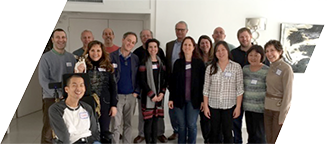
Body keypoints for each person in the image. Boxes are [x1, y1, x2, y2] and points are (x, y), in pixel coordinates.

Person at [39, 28, 77, 144]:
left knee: (68, 126)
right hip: (51, 98)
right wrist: (58, 94)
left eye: (63, 37)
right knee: (49, 128)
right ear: (52, 40)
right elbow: (43, 80)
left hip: (68, 98)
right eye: (58, 37)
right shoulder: (45, 58)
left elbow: (74, 78)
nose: (61, 40)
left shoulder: (71, 58)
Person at [203, 41, 244, 144]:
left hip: (229, 106)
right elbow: (206, 89)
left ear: (227, 51)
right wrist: (206, 106)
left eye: (223, 50)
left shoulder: (236, 67)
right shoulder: (210, 68)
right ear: (215, 53)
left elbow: (239, 89)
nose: (220, 53)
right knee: (214, 133)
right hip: (213, 105)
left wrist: (238, 107)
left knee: (228, 133)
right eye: (217, 51)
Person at [76, 40, 118, 139]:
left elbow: (113, 87)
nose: (95, 53)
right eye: (92, 50)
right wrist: (79, 71)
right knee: (88, 131)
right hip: (87, 103)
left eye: (98, 50)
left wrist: (114, 105)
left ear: (102, 52)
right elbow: (77, 85)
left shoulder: (108, 66)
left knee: (105, 131)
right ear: (88, 52)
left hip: (105, 103)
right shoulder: (82, 65)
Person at [168, 36, 205, 144]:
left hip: (194, 100)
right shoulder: (178, 63)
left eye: (190, 45)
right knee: (181, 126)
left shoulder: (199, 64)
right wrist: (171, 99)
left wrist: (203, 100)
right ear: (182, 47)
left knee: (192, 125)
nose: (187, 47)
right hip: (179, 99)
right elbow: (173, 83)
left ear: (194, 47)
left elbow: (203, 83)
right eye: (185, 45)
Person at [133, 29, 168, 143]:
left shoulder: (161, 63)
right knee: (148, 122)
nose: (153, 49)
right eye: (150, 47)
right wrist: (152, 95)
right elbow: (142, 81)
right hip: (147, 97)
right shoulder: (143, 63)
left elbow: (164, 79)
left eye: (155, 47)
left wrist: (162, 93)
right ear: (147, 49)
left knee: (156, 121)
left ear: (158, 49)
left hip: (159, 97)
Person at [49, 74, 101, 144]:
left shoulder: (87, 108)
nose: (78, 89)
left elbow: (94, 132)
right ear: (66, 89)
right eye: (74, 85)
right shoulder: (56, 109)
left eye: (81, 85)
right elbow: (64, 137)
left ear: (85, 88)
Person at [109, 32, 140, 144]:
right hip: (117, 96)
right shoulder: (111, 57)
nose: (130, 44)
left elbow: (139, 77)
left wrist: (136, 91)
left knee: (129, 124)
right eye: (128, 40)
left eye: (133, 42)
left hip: (131, 96)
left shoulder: (135, 58)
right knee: (116, 125)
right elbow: (108, 77)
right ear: (122, 40)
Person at [264, 40, 293, 144]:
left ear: (280, 51)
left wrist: (283, 115)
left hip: (278, 110)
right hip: (267, 108)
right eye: (267, 51)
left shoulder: (286, 68)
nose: (269, 54)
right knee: (269, 139)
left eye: (272, 50)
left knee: (275, 140)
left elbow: (288, 94)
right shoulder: (271, 67)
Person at [165, 21, 188, 140]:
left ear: (186, 31)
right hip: (172, 82)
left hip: (187, 82)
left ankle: (185, 132)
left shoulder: (191, 44)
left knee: (186, 108)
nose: (179, 32)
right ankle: (176, 130)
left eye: (182, 29)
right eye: (177, 29)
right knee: (172, 108)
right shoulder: (169, 45)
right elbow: (167, 63)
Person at [243, 45, 269, 144]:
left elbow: (269, 88)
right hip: (248, 107)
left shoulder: (266, 70)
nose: (253, 58)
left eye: (256, 55)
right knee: (251, 133)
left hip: (260, 108)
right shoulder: (245, 69)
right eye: (251, 55)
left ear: (262, 56)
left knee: (260, 135)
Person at [196, 35, 213, 144]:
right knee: (204, 118)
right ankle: (206, 139)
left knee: (213, 118)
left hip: (213, 92)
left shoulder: (216, 58)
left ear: (210, 44)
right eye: (202, 43)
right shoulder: (196, 59)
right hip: (200, 92)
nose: (204, 45)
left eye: (206, 42)